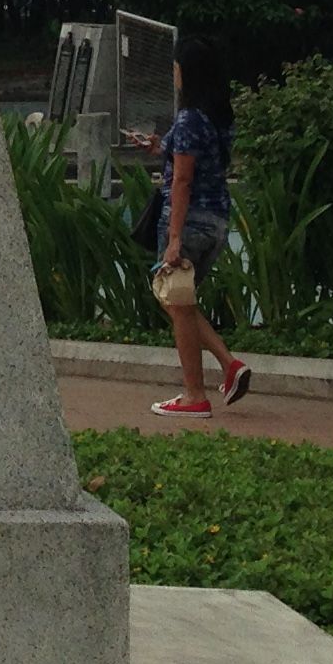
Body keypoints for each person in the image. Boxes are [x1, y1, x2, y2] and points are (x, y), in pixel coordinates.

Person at [143, 34, 251, 417]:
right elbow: (190, 157)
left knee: (175, 300)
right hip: (217, 221)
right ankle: (229, 365)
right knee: (181, 302)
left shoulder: (189, 117)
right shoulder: (217, 116)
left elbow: (183, 180)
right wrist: (160, 147)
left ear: (185, 73)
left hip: (188, 223)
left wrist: (173, 238)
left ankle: (194, 394)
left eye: (176, 67)